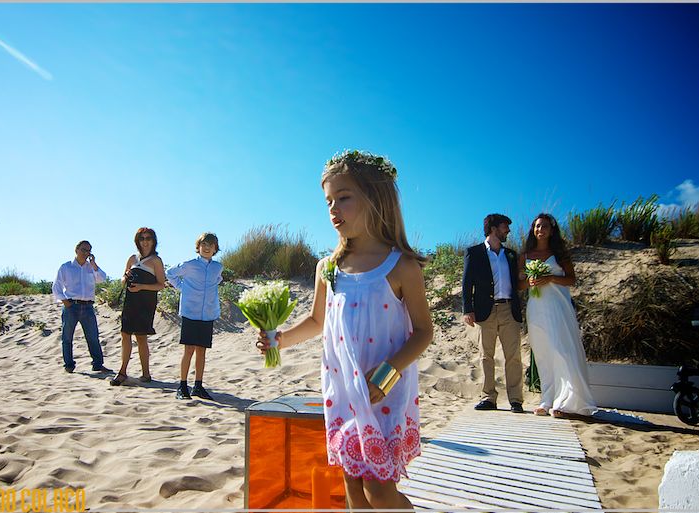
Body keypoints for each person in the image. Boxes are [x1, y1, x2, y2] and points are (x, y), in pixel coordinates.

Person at [255, 150, 433, 510]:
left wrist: (386, 374)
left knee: (380, 492)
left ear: (376, 197)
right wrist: (280, 339)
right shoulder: (328, 267)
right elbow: (318, 322)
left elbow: (424, 332)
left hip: (383, 391)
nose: (333, 208)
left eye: (344, 198)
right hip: (342, 391)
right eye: (328, 201)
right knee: (353, 489)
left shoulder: (401, 266)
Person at [519, 213, 598, 418]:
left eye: (544, 226)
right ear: (533, 229)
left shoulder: (560, 253)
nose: (540, 229)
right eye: (537, 226)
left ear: (551, 230)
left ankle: (569, 402)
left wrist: (550, 278)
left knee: (562, 350)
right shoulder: (526, 255)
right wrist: (530, 282)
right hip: (536, 309)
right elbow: (518, 284)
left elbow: (572, 279)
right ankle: (547, 400)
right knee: (543, 353)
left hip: (558, 307)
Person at [462, 214, 524, 413]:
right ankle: (488, 397)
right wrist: (467, 309)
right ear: (493, 228)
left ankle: (516, 400)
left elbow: (517, 282)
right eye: (505, 227)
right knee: (485, 356)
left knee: (513, 355)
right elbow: (466, 284)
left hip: (509, 309)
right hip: (484, 310)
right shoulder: (474, 252)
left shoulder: (511, 255)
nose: (508, 231)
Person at [166, 232, 223, 401]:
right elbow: (170, 274)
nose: (206, 248)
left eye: (210, 245)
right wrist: (183, 288)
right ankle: (182, 386)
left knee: (202, 351)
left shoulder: (217, 267)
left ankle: (198, 386)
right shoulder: (189, 265)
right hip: (190, 312)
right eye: (203, 244)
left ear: (215, 249)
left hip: (207, 314)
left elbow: (218, 279)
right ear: (198, 247)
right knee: (189, 350)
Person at [110, 228, 166, 386]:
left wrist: (142, 286)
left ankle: (146, 374)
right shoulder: (132, 258)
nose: (145, 241)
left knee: (141, 337)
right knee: (125, 334)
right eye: (142, 238)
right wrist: (125, 278)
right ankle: (122, 372)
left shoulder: (156, 260)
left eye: (148, 238)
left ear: (153, 240)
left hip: (146, 303)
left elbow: (161, 285)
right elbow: (123, 279)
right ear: (137, 241)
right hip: (130, 300)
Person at [52, 240, 112, 374]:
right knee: (67, 337)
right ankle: (69, 365)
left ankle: (97, 364)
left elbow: (102, 278)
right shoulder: (66, 267)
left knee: (93, 337)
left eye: (89, 250)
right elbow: (56, 286)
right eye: (84, 249)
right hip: (71, 306)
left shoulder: (91, 268)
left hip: (88, 307)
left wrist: (94, 264)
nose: (86, 253)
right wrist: (65, 301)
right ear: (76, 250)